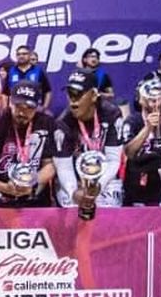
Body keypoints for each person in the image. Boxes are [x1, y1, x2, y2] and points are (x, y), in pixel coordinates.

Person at [50, 69, 135, 210]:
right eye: (70, 94)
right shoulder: (62, 123)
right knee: (71, 204)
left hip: (105, 178)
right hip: (75, 180)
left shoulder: (112, 114)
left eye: (78, 94)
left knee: (110, 203)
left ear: (94, 95)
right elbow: (63, 167)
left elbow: (114, 160)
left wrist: (98, 186)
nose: (73, 100)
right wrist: (74, 193)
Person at [0, 81, 57, 207]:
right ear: (10, 102)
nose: (22, 113)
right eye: (18, 106)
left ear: (37, 106)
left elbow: (50, 165)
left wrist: (33, 183)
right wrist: (5, 188)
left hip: (35, 195)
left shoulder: (46, 122)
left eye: (29, 108)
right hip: (1, 196)